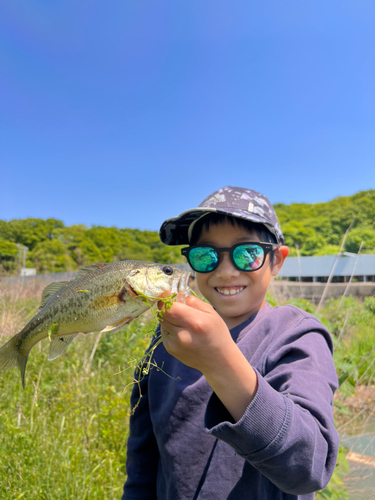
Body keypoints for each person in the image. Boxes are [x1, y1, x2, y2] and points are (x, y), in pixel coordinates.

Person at [122, 186, 339, 500]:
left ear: (276, 260)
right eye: (205, 255)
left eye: (247, 253)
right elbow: (142, 458)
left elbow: (310, 467)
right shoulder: (167, 338)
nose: (225, 271)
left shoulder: (296, 334)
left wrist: (219, 360)